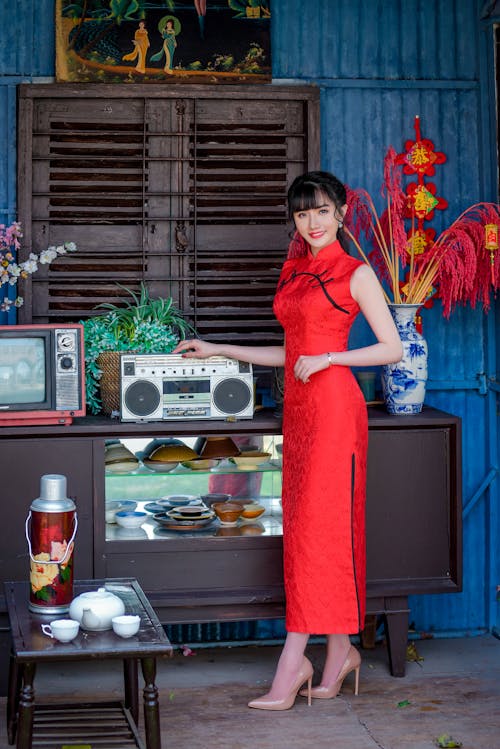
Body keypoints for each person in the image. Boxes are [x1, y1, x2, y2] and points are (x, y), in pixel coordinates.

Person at [173, 171, 403, 710]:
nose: (312, 222)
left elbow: (393, 347)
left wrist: (332, 358)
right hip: (300, 413)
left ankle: (293, 659)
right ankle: (341, 650)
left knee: (321, 531)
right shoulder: (296, 270)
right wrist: (219, 349)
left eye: (321, 210)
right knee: (309, 531)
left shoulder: (356, 272)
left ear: (342, 212)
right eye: (302, 214)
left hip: (335, 411)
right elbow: (291, 354)